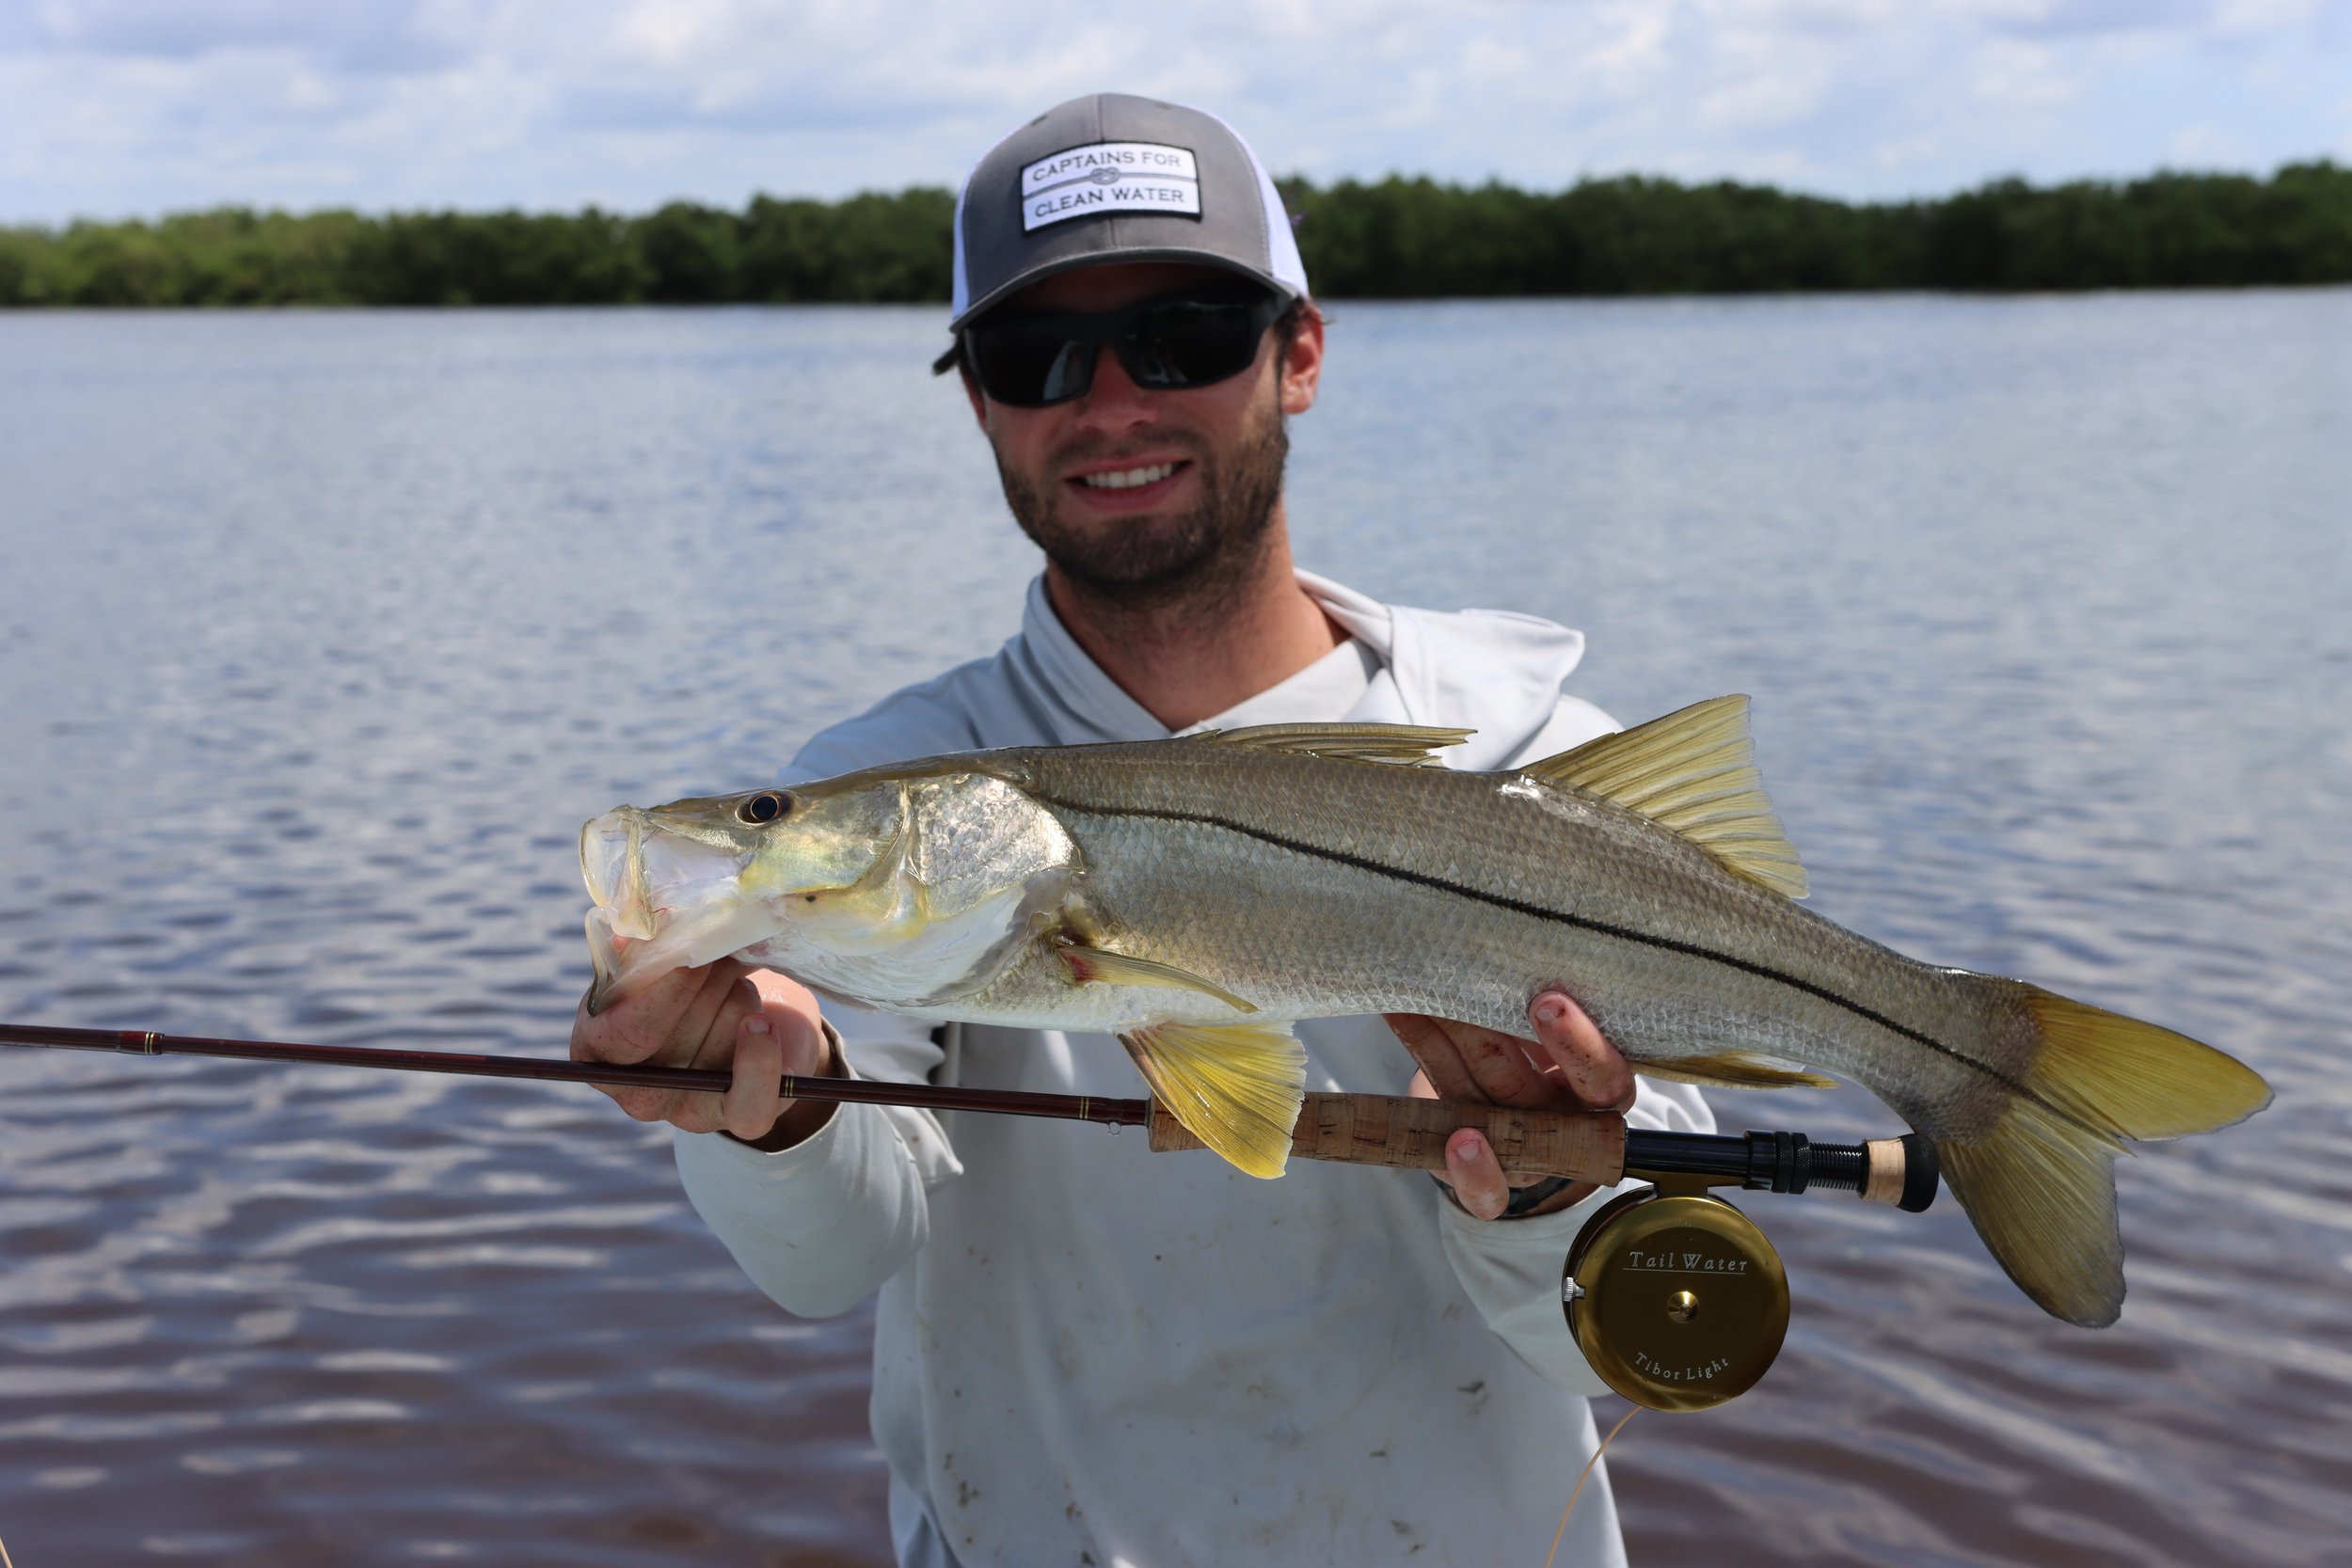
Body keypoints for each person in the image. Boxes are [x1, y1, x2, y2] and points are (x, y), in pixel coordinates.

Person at [571, 92, 1711, 1567]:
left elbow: (1642, 1344)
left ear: (1299, 354)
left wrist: (1554, 1191)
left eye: (1181, 335)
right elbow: (828, 1258)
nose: (1111, 403)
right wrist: (775, 1103)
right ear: (977, 397)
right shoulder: (894, 778)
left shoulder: (1539, 758)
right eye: (1036, 354)